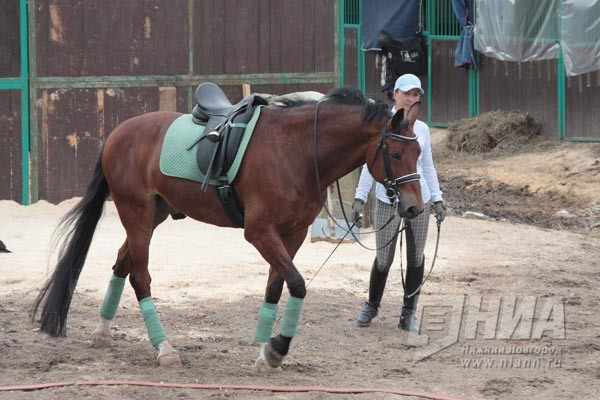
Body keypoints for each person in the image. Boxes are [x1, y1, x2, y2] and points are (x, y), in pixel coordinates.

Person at [351, 73, 445, 331]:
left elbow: (428, 167)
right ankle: (372, 305)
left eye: (415, 95)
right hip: (387, 200)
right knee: (383, 258)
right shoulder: (381, 125)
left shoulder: (422, 129)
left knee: (416, 257)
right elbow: (370, 165)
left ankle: (408, 313)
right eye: (406, 93)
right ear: (394, 94)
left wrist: (437, 198)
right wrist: (360, 197)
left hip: (418, 198)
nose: (410, 98)